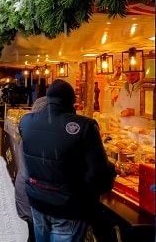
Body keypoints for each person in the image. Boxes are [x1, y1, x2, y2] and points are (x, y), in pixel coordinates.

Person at [19, 79, 116, 242]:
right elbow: (99, 173)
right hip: (68, 207)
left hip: (37, 202)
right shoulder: (85, 126)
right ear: (72, 101)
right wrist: (109, 173)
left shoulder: (26, 122)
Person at [15, 96, 47, 242]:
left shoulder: (28, 133)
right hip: (35, 197)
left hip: (25, 193)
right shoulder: (44, 138)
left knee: (33, 234)